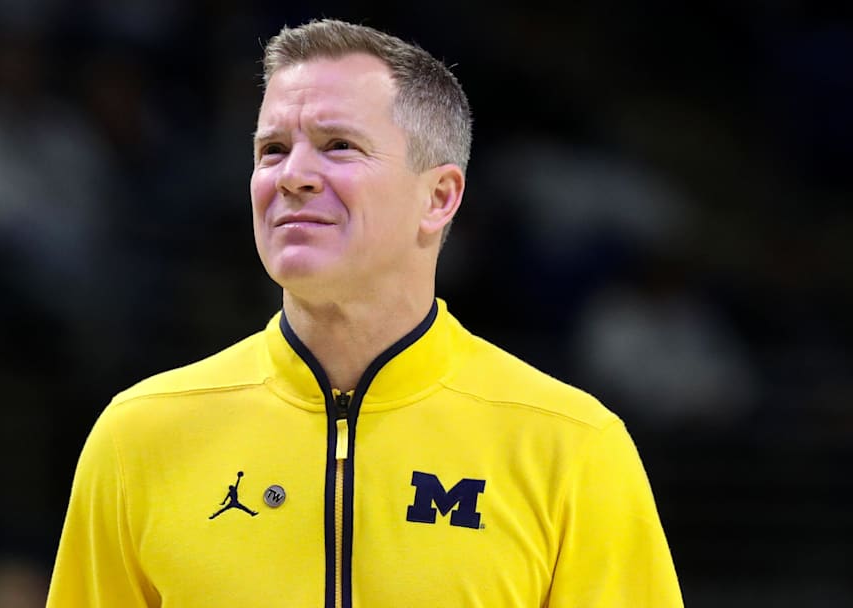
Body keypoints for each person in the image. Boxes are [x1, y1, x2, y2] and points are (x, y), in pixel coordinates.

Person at [46, 18, 682, 607]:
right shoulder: (137, 438)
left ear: (439, 197)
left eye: (338, 145)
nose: (292, 175)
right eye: (271, 150)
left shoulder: (571, 449)